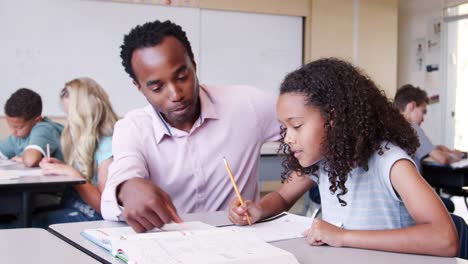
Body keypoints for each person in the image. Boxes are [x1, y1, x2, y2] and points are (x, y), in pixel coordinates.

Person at [228, 58, 458, 256]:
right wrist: (259, 210)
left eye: (296, 126)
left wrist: (344, 236)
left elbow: (444, 238)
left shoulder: (390, 163)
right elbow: (281, 196)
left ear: (333, 118)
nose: (287, 138)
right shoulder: (325, 160)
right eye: (284, 128)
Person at [100, 20, 280, 232]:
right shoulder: (133, 128)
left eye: (182, 77)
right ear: (139, 87)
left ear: (193, 64)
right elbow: (121, 176)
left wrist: (282, 197)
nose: (176, 95)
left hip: (243, 241)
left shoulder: (247, 105)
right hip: (172, 245)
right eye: (157, 87)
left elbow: (318, 128)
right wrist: (127, 188)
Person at [32, 77, 118, 227]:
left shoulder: (108, 147)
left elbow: (105, 208)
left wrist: (73, 175)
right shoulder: (91, 139)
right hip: (77, 208)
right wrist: (62, 168)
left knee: (29, 222)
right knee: (28, 214)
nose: (69, 121)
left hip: (94, 217)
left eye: (71, 115)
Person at [394, 84, 464, 170]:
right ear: (412, 106)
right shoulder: (412, 128)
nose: (423, 118)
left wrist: (435, 148)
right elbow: (442, 159)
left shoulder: (392, 127)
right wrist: (457, 156)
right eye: (423, 111)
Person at [0, 88, 63, 167]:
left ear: (37, 120)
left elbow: (30, 161)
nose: (13, 132)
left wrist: (22, 159)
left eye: (19, 127)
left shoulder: (44, 129)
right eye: (11, 126)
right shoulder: (18, 136)